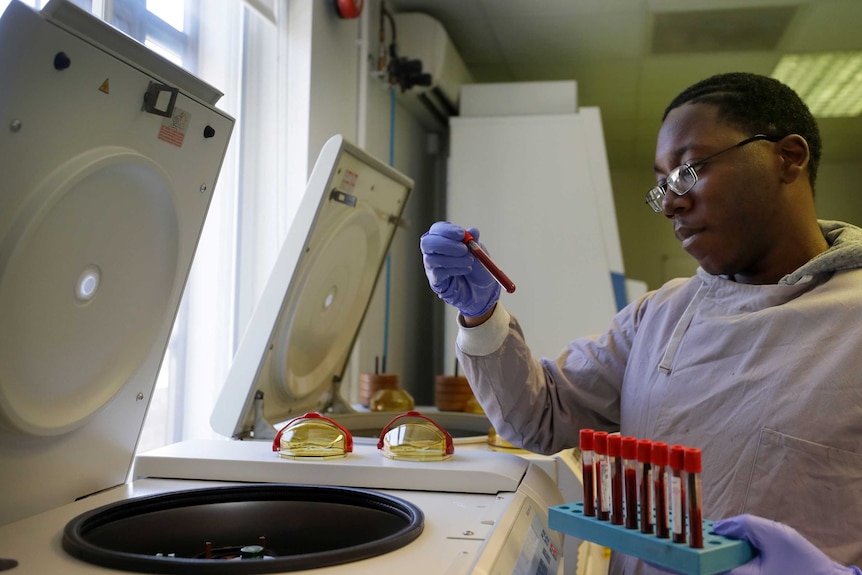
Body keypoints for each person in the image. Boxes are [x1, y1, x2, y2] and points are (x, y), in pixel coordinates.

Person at [420, 71, 862, 575]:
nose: (671, 203)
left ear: (788, 157)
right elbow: (540, 414)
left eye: (689, 169)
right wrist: (481, 315)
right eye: (662, 185)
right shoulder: (662, 313)